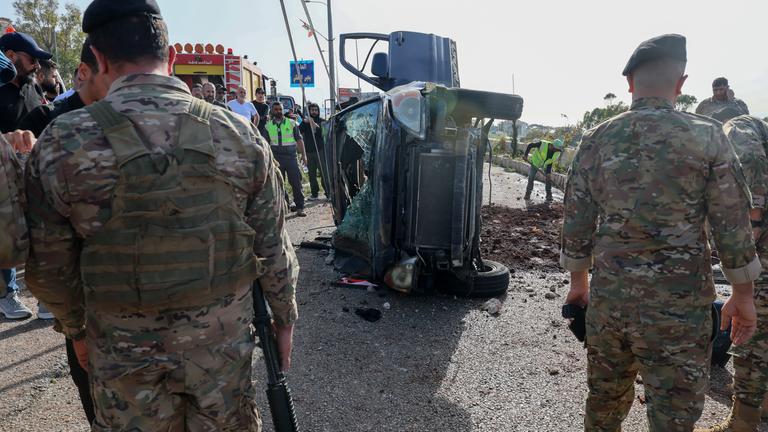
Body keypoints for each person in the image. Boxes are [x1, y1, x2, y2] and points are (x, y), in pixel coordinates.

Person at [24, 1, 299, 430]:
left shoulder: (63, 141)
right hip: (221, 350)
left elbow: (49, 265)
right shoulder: (239, 135)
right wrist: (285, 318)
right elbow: (273, 246)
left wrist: (75, 328)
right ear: (170, 58)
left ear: (96, 58)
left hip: (122, 357)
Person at [561, 34, 759, 432]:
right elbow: (732, 221)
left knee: (603, 403)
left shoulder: (597, 139)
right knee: (674, 415)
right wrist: (742, 295)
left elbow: (577, 219)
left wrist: (578, 283)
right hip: (680, 311)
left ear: (630, 83)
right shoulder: (708, 136)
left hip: (611, 303)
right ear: (681, 84)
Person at [696, 115, 768, 432]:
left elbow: (750, 169)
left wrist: (748, 233)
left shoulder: (736, 128)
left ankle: (743, 422)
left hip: (762, 242)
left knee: (751, 328)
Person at [0, 30, 52, 320]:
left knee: (41, 232)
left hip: (35, 170)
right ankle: (7, 294)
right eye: (31, 59)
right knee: (7, 232)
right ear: (10, 56)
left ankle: (45, 296)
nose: (35, 65)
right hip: (3, 175)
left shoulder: (33, 87)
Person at [0, 31, 52, 133]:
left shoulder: (35, 87)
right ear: (10, 56)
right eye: (33, 60)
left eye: (38, 61)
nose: (38, 66)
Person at [265, 101, 307, 217]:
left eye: (280, 109)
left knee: (296, 183)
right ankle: (285, 206)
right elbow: (265, 143)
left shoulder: (292, 123)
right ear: (272, 111)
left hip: (291, 157)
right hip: (276, 158)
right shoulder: (268, 126)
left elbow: (299, 140)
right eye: (276, 109)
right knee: (279, 184)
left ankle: (300, 207)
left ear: (283, 110)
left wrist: (304, 155)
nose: (278, 111)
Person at [299, 102, 328, 199]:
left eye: (316, 110)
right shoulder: (305, 122)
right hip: (309, 151)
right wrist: (304, 122)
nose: (314, 112)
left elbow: (323, 133)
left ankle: (328, 193)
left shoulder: (322, 121)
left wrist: (313, 123)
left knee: (324, 173)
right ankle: (314, 193)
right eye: (312, 110)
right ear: (309, 111)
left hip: (320, 151)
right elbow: (299, 131)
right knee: (312, 174)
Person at [522, 137, 563, 201]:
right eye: (557, 149)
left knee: (548, 178)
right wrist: (525, 155)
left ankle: (549, 195)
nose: (558, 151)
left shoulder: (557, 152)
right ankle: (528, 194)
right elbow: (530, 145)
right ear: (553, 146)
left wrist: (548, 173)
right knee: (531, 177)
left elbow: (550, 162)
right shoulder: (542, 144)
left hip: (545, 165)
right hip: (536, 162)